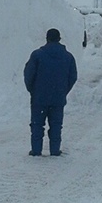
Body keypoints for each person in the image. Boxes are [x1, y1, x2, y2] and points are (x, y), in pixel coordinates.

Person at [23, 28, 77, 157]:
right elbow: (73, 77)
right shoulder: (68, 57)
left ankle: (36, 151)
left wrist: (33, 90)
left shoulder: (37, 55)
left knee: (37, 125)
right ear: (59, 39)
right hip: (58, 97)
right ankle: (54, 150)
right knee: (56, 125)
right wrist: (63, 91)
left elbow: (28, 75)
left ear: (47, 38)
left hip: (39, 97)